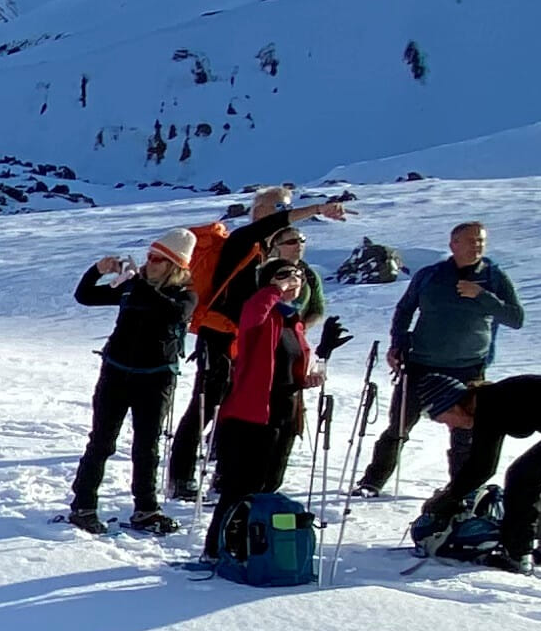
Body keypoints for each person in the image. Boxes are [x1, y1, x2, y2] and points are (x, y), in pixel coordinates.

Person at [165, 184, 350, 502]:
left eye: (285, 208)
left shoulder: (264, 253)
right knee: (207, 403)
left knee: (233, 408)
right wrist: (317, 209)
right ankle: (180, 476)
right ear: (260, 213)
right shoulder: (244, 240)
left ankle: (224, 473)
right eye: (278, 208)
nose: (283, 215)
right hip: (220, 335)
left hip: (244, 339)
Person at [360, 222, 524, 496]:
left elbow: (516, 319)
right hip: (420, 364)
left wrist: (482, 296)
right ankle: (372, 482)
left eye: (481, 241)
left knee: (465, 435)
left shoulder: (494, 278)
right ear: (453, 245)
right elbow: (404, 310)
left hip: (469, 369)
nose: (477, 245)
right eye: (470, 240)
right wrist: (398, 344)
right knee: (399, 426)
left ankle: (462, 490)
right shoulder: (430, 275)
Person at [408, 369, 541, 570]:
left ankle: (516, 554)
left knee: (523, 476)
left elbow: (482, 467)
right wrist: (453, 495)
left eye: (442, 420)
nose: (450, 426)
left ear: (451, 404)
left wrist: (447, 498)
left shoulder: (489, 404)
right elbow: (480, 465)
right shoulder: (490, 399)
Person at [67, 237, 191, 533]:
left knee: (147, 446)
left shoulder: (184, 295)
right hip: (117, 373)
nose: (150, 262)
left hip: (157, 377)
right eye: (149, 256)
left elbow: (174, 314)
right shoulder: (132, 287)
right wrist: (98, 270)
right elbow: (85, 296)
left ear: (175, 266)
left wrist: (141, 285)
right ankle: (83, 505)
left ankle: (146, 509)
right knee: (102, 441)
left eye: (158, 259)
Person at [206, 262, 316, 558]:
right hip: (250, 414)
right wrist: (274, 290)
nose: (293, 280)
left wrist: (308, 378)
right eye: (284, 275)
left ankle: (251, 545)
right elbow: (252, 316)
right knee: (239, 486)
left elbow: (287, 366)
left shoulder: (293, 320)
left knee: (270, 484)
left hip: (285, 411)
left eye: (298, 275)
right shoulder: (261, 312)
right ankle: (218, 548)